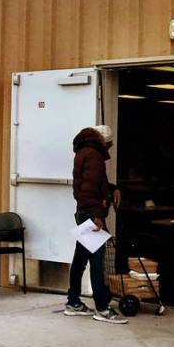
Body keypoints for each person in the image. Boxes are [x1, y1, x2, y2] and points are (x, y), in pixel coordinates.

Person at [64, 126, 127, 323]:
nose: (110, 148)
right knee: (97, 262)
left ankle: (73, 301)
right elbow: (89, 188)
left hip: (84, 212)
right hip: (91, 215)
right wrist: (97, 215)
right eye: (110, 144)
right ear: (104, 141)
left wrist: (112, 188)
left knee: (80, 258)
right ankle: (102, 308)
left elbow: (92, 183)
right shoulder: (94, 156)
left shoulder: (84, 151)